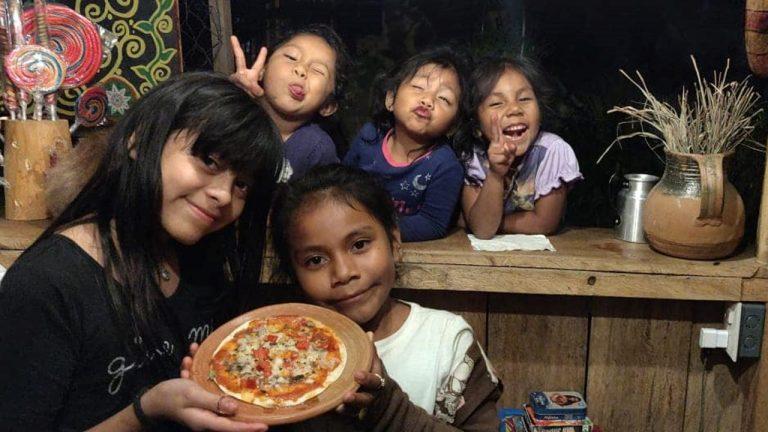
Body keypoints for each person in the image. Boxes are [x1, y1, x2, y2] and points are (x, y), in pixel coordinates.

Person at [0, 72, 284, 431]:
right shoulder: (48, 284)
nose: (224, 195)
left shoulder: (199, 258)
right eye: (209, 161)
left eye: (241, 184)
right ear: (138, 141)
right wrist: (146, 411)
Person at [268, 164, 502, 431]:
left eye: (359, 245)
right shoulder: (276, 355)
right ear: (293, 273)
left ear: (394, 241)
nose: (343, 273)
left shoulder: (447, 342)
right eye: (315, 260)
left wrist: (386, 409)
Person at [343, 47, 468, 242]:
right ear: (391, 99)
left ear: (453, 125)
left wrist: (372, 229)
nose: (427, 100)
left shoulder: (445, 165)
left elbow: (433, 223)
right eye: (418, 87)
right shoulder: (369, 137)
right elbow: (340, 185)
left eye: (444, 98)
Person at [461, 56, 582, 239]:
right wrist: (495, 174)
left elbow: (545, 223)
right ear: (477, 125)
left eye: (524, 99)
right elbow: (483, 230)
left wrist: (476, 221)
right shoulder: (474, 155)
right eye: (496, 103)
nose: (514, 109)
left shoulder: (553, 151)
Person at [230, 24, 351, 180]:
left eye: (318, 70)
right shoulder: (232, 116)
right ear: (262, 69)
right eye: (291, 57)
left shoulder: (316, 149)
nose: (300, 70)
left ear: (328, 105)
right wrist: (231, 98)